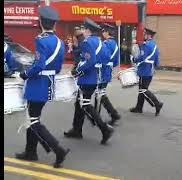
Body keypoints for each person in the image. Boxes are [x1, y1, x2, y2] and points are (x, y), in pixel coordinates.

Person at [15, 6, 69, 168]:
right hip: (49, 85)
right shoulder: (60, 42)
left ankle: (58, 150)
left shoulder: (41, 40)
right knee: (34, 118)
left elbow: (38, 66)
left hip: (37, 85)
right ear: (53, 24)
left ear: (40, 22)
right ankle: (31, 151)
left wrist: (24, 75)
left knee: (33, 120)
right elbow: (58, 67)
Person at [64, 18, 114, 145]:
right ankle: (77, 129)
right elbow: (106, 58)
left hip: (87, 78)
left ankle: (105, 129)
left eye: (83, 29)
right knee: (79, 103)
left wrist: (78, 70)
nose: (82, 31)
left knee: (85, 104)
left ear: (87, 30)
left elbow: (89, 61)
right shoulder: (100, 42)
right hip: (96, 77)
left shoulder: (87, 42)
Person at [129, 28, 163, 116]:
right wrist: (154, 67)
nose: (144, 36)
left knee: (143, 89)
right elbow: (157, 60)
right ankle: (139, 108)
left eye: (145, 34)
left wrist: (133, 59)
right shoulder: (154, 45)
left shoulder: (147, 45)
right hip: (150, 70)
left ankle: (157, 103)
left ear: (148, 36)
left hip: (144, 70)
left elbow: (141, 57)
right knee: (141, 90)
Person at [96, 23, 121, 126]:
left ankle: (111, 114)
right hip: (108, 70)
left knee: (100, 93)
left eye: (103, 31)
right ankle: (103, 115)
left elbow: (101, 58)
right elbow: (116, 62)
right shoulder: (115, 44)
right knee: (101, 93)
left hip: (102, 70)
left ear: (107, 32)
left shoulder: (105, 44)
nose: (102, 34)